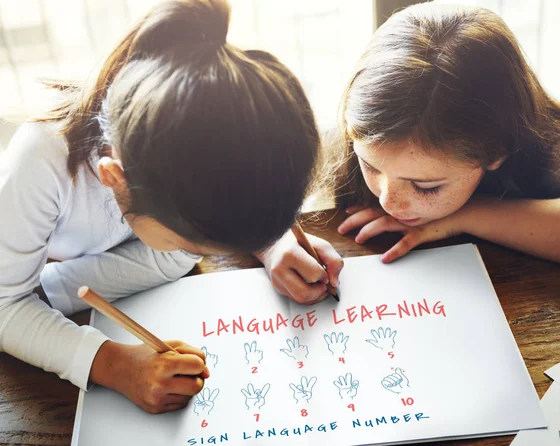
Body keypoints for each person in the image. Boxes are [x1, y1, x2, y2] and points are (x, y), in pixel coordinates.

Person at [0, 0, 338, 414]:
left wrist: (271, 242)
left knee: (173, 259)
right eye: (200, 245)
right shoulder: (40, 162)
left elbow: (228, 182)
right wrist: (114, 364)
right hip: (20, 272)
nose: (214, 253)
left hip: (80, 271)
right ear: (114, 179)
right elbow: (5, 305)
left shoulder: (217, 110)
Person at [330, 3, 560, 267]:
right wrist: (286, 244)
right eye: (369, 165)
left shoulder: (549, 143)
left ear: (497, 151)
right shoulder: (353, 128)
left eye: (426, 186)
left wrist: (468, 215)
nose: (389, 202)